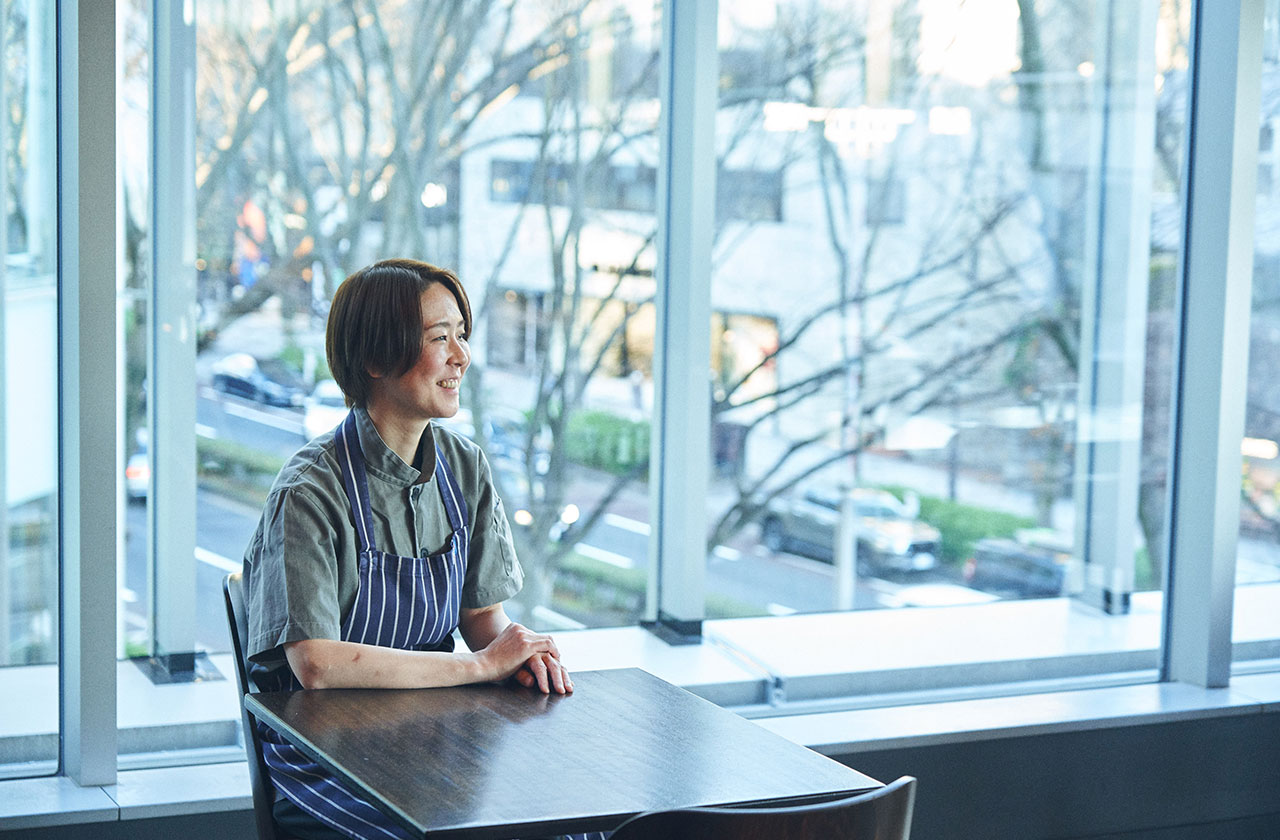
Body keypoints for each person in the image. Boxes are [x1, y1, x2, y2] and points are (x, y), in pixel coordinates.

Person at [241, 258, 603, 840]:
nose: (461, 355)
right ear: (377, 360)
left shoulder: (466, 468)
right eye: (440, 338)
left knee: (570, 825)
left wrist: (521, 654)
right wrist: (480, 666)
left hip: (429, 738)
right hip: (326, 762)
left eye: (462, 335)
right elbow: (317, 666)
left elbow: (483, 618)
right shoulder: (309, 491)